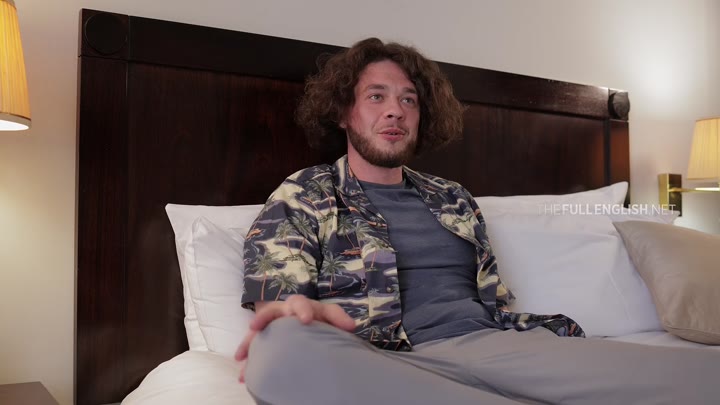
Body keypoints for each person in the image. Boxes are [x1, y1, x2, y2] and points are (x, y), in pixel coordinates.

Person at [235, 38, 718, 405]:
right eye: (376, 97)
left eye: (409, 100)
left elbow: (493, 297)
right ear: (344, 112)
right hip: (375, 358)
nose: (395, 111)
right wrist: (298, 315)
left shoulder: (453, 198)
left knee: (701, 374)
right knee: (281, 349)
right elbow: (280, 303)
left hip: (492, 347)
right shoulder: (306, 192)